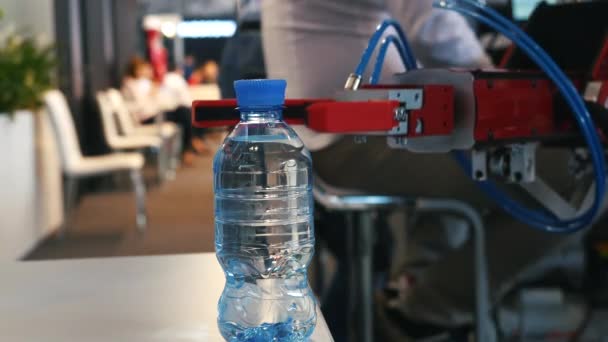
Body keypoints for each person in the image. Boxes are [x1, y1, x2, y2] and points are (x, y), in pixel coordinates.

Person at [262, 0, 574, 340]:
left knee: (466, 145)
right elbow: (430, 22)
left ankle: (411, 291)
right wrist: (498, 78)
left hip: (371, 130)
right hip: (351, 139)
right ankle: (423, 311)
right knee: (572, 183)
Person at [122, 56, 196, 164]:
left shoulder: (144, 83)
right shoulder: (133, 84)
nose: (149, 71)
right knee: (184, 113)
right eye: (145, 68)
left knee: (184, 111)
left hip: (155, 115)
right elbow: (141, 105)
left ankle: (189, 146)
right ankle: (188, 148)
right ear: (137, 70)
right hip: (147, 118)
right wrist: (151, 92)